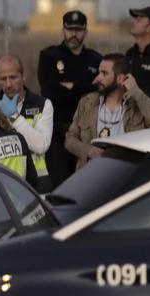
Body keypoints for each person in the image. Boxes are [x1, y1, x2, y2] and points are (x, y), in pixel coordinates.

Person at [66, 53, 150, 170]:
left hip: (124, 175)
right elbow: (70, 139)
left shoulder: (138, 105)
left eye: (104, 73)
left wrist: (136, 92)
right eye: (99, 73)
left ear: (121, 78)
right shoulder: (87, 102)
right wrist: (89, 151)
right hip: (90, 175)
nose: (98, 78)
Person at [37, 10, 102, 188]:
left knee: (88, 186)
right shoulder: (49, 56)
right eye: (70, 29)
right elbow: (50, 92)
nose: (74, 34)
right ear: (63, 30)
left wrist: (73, 87)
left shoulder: (95, 60)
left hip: (87, 133)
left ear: (86, 32)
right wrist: (86, 89)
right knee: (61, 186)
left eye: (78, 30)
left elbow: (101, 91)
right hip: (59, 133)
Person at [0, 54, 54, 193]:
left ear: (23, 76)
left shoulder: (43, 105)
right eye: (3, 78)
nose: (8, 84)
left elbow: (41, 145)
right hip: (3, 184)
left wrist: (14, 116)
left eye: (13, 77)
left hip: (37, 186)